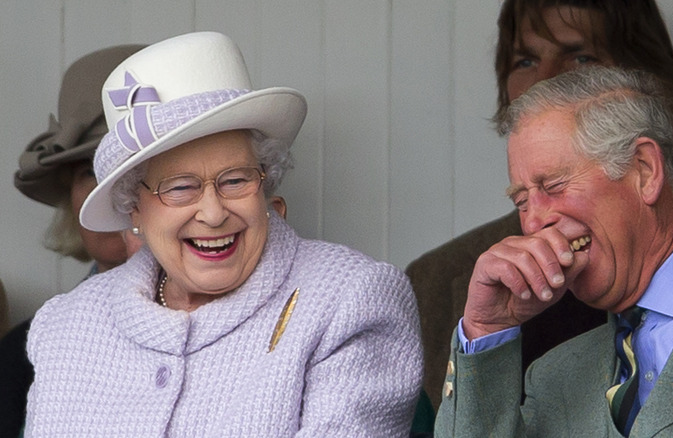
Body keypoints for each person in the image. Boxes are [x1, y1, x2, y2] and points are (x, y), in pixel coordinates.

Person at [24, 31, 422, 437]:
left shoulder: (349, 299)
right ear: (134, 208)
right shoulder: (66, 326)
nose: (213, 214)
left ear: (266, 186)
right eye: (180, 187)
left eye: (235, 180)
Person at [408, 0, 673, 410]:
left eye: (581, 57)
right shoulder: (441, 284)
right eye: (526, 61)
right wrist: (485, 333)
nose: (544, 81)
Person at [0, 44, 145, 438]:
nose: (115, 194)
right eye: (91, 173)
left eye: (137, 170)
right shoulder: (24, 352)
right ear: (70, 198)